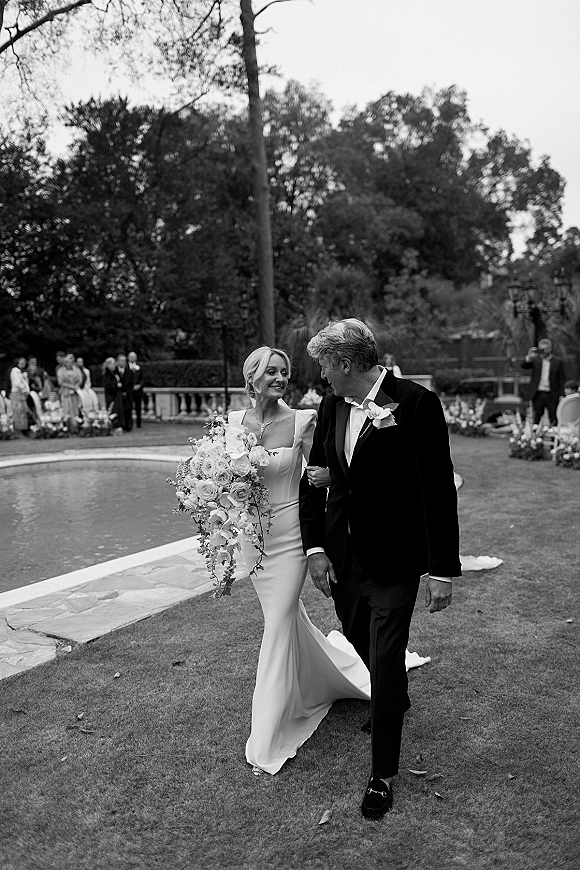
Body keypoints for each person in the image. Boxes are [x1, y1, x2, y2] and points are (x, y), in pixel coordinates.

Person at [299, 318, 460, 820]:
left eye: (325, 365)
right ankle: (395, 700)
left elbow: (435, 490)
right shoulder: (329, 407)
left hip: (394, 561)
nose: (322, 375)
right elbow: (315, 480)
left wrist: (442, 569)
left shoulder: (414, 404)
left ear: (345, 363)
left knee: (386, 660)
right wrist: (314, 551)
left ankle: (382, 775)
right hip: (343, 559)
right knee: (359, 639)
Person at [228, 346, 373, 778]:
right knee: (286, 621)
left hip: (292, 538)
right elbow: (222, 481)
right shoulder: (232, 425)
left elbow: (320, 478)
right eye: (271, 371)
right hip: (255, 540)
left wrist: (321, 541)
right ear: (251, 377)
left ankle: (266, 736)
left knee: (277, 624)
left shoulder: (303, 421)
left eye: (284, 371)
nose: (280, 378)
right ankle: (325, 678)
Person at [521, 338, 566, 425]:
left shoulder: (558, 361)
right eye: (540, 349)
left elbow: (562, 379)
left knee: (554, 418)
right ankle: (536, 437)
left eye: (544, 349)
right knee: (536, 418)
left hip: (552, 394)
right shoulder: (535, 360)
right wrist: (529, 357)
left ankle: (554, 437)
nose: (542, 351)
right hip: (538, 394)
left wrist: (561, 394)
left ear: (549, 349)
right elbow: (524, 366)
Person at [57, 353, 83, 434]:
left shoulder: (76, 369)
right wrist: (71, 386)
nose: (69, 363)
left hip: (75, 393)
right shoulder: (60, 371)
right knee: (66, 409)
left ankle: (75, 428)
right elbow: (60, 382)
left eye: (71, 361)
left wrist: (76, 386)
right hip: (65, 392)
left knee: (75, 409)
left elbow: (80, 379)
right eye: (67, 361)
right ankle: (66, 428)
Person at [9, 357, 30, 435]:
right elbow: (17, 383)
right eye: (21, 362)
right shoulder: (15, 371)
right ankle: (18, 430)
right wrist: (23, 389)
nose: (23, 364)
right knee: (18, 411)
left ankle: (24, 429)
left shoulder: (23, 372)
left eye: (24, 362)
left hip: (23, 394)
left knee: (23, 412)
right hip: (17, 393)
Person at [103, 357, 124, 433]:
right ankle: (114, 425)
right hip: (111, 395)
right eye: (111, 364)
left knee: (119, 409)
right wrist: (116, 385)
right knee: (112, 409)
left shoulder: (116, 373)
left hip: (117, 394)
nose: (113, 366)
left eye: (114, 364)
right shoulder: (107, 374)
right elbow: (107, 385)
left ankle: (120, 424)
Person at [116, 354, 134, 432]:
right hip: (118, 394)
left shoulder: (129, 371)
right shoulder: (115, 371)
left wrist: (126, 392)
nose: (123, 362)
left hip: (127, 394)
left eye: (124, 361)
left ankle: (128, 425)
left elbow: (131, 383)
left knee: (128, 410)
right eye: (121, 360)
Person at [128, 351, 144, 428]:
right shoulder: (126, 367)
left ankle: (139, 423)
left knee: (138, 407)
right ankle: (129, 423)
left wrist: (139, 385)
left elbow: (143, 378)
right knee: (129, 407)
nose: (132, 358)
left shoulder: (139, 366)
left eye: (134, 357)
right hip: (130, 390)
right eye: (131, 356)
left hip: (138, 390)